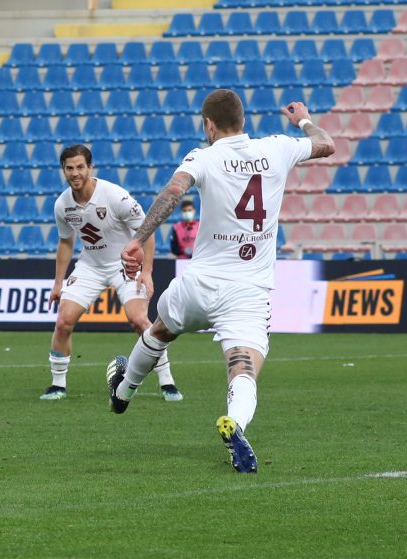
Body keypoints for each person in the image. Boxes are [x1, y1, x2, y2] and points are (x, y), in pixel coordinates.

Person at [107, 91, 335, 473]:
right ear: (242, 120)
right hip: (248, 289)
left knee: (162, 330)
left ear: (209, 124)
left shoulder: (204, 156)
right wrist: (304, 120)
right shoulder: (278, 147)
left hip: (199, 285)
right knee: (243, 366)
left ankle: (125, 389)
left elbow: (173, 192)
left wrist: (137, 238)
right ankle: (237, 426)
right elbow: (326, 145)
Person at [41, 146, 182, 402]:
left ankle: (166, 379)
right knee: (63, 321)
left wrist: (147, 272)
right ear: (63, 170)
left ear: (90, 168)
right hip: (90, 266)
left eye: (80, 167)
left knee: (139, 320)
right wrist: (58, 283)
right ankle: (57, 384)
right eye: (69, 168)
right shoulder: (62, 205)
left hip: (125, 264)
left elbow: (147, 232)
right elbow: (65, 242)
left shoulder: (115, 196)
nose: (75, 173)